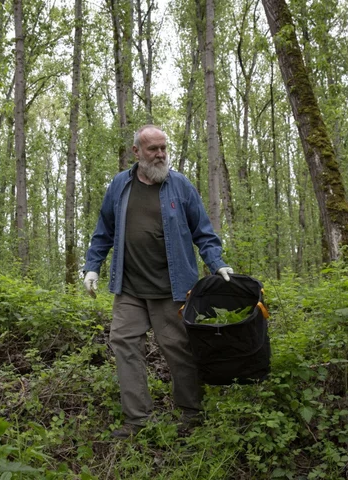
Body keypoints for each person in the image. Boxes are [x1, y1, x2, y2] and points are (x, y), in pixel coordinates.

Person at [82, 124, 233, 439]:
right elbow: (103, 231)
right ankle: (137, 420)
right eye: (153, 149)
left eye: (164, 148)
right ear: (136, 152)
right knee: (123, 344)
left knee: (178, 349)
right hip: (130, 289)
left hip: (173, 289)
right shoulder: (119, 187)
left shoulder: (180, 186)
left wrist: (216, 263)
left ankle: (191, 416)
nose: (161, 154)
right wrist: (92, 266)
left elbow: (203, 232)